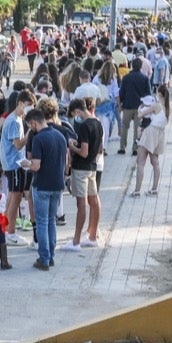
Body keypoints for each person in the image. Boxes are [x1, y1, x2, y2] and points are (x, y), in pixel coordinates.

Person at [21, 108, 68, 271]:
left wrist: (26, 163)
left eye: (30, 125)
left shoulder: (39, 139)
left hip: (42, 185)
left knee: (41, 222)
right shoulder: (60, 136)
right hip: (57, 184)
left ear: (34, 122)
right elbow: (66, 160)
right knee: (51, 221)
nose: (30, 128)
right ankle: (51, 256)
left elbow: (36, 165)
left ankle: (44, 258)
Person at [64, 99, 103, 251]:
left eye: (74, 114)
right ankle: (93, 236)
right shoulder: (97, 123)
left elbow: (84, 152)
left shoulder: (84, 126)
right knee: (94, 199)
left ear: (78, 111)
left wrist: (73, 147)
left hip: (81, 168)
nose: (75, 117)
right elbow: (98, 149)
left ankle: (76, 241)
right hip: (93, 167)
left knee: (81, 204)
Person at [0, 90, 34, 246]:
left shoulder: (17, 119)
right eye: (27, 106)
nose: (28, 110)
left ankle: (4, 228)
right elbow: (18, 144)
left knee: (12, 198)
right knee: (16, 197)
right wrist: (30, 132)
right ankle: (11, 232)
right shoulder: (14, 121)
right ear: (20, 103)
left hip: (14, 163)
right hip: (14, 164)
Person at [133, 95, 167, 197]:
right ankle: (154, 189)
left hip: (147, 135)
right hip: (158, 135)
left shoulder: (145, 109)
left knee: (140, 162)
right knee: (155, 163)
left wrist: (139, 107)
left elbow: (139, 115)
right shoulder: (159, 109)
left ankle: (137, 190)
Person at [117, 57, 152, 155]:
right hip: (139, 107)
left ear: (132, 65)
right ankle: (135, 148)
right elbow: (148, 94)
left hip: (127, 105)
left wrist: (121, 104)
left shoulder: (126, 77)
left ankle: (122, 147)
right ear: (141, 66)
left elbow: (121, 92)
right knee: (137, 128)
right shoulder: (144, 78)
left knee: (124, 126)